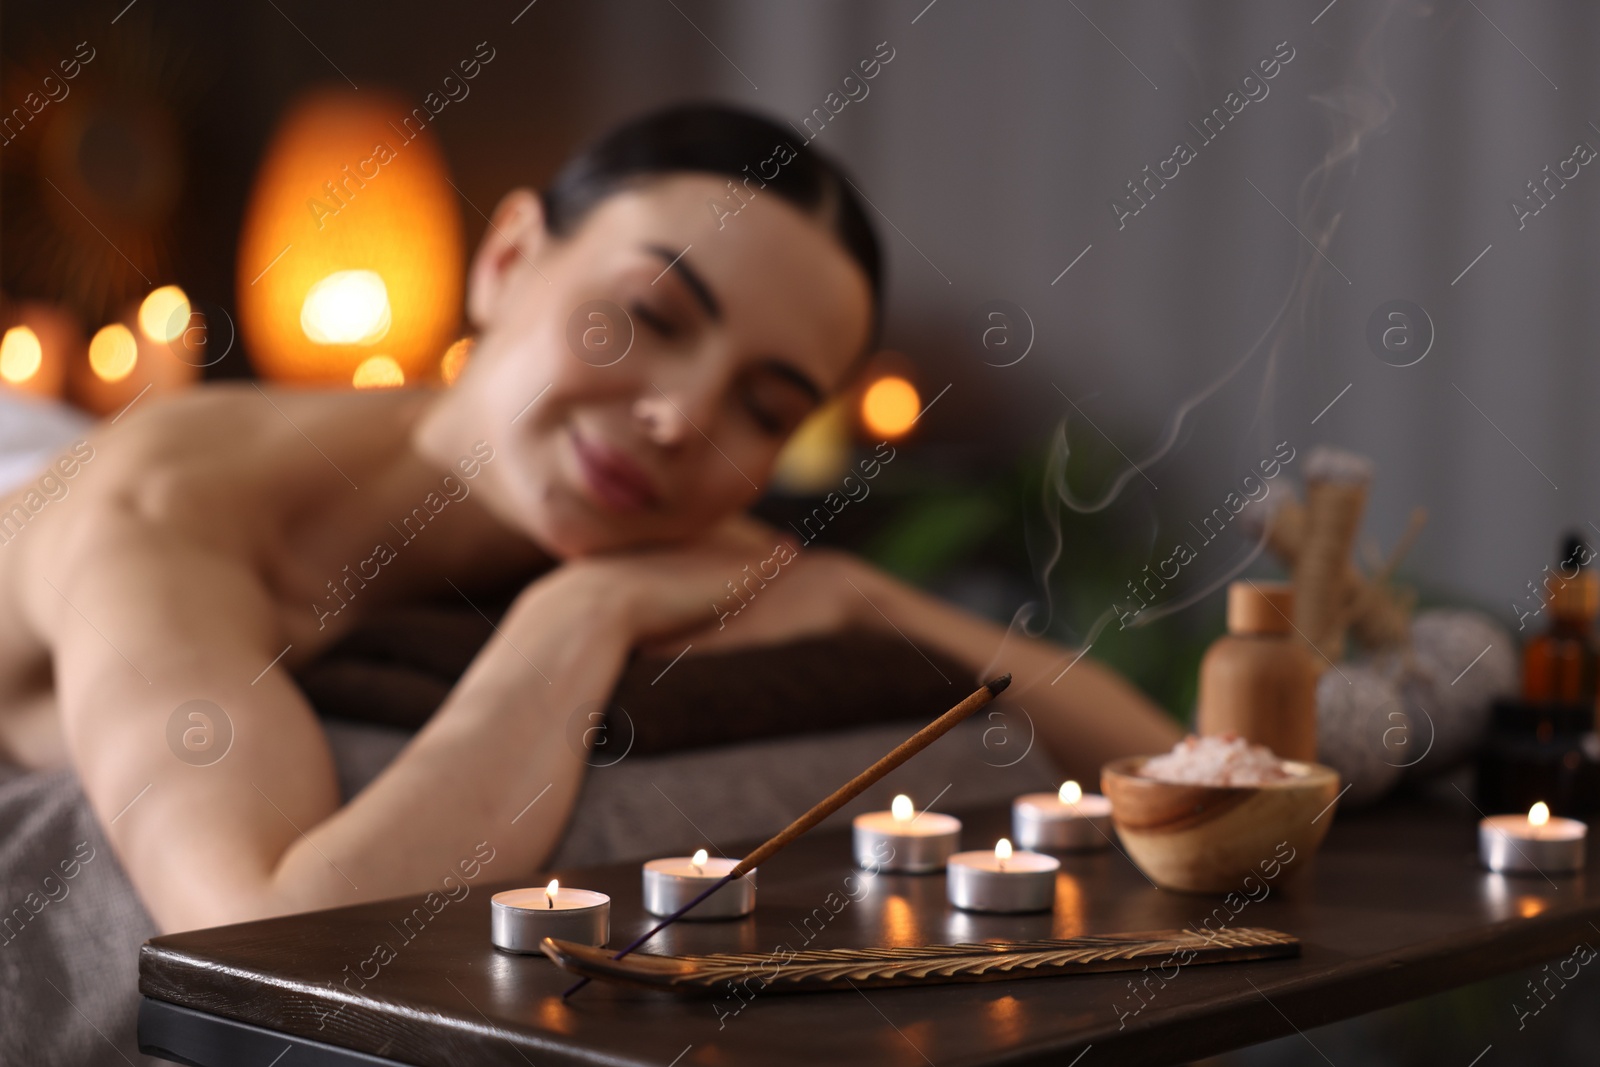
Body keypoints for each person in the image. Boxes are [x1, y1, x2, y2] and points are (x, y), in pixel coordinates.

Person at [0, 104, 1179, 934]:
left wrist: (868, 596)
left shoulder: (614, 491)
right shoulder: (158, 517)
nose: (679, 417)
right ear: (507, 258)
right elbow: (273, 927)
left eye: (760, 407)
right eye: (651, 317)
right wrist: (578, 616)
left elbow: (1143, 753)